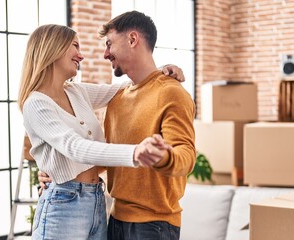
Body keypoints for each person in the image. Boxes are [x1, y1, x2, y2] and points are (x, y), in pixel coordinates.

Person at [18, 24, 184, 240]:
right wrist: (133, 153)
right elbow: (73, 147)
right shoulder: (36, 103)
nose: (81, 55)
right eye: (75, 46)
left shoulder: (76, 91)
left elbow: (124, 88)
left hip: (96, 200)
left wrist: (161, 71)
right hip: (63, 204)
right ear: (53, 48)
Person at [100, 11, 196, 240]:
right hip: (116, 220)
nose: (105, 54)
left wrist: (163, 158)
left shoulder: (171, 92)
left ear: (132, 40)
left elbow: (186, 154)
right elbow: (108, 155)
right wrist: (57, 173)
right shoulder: (117, 98)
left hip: (154, 226)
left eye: (109, 44)